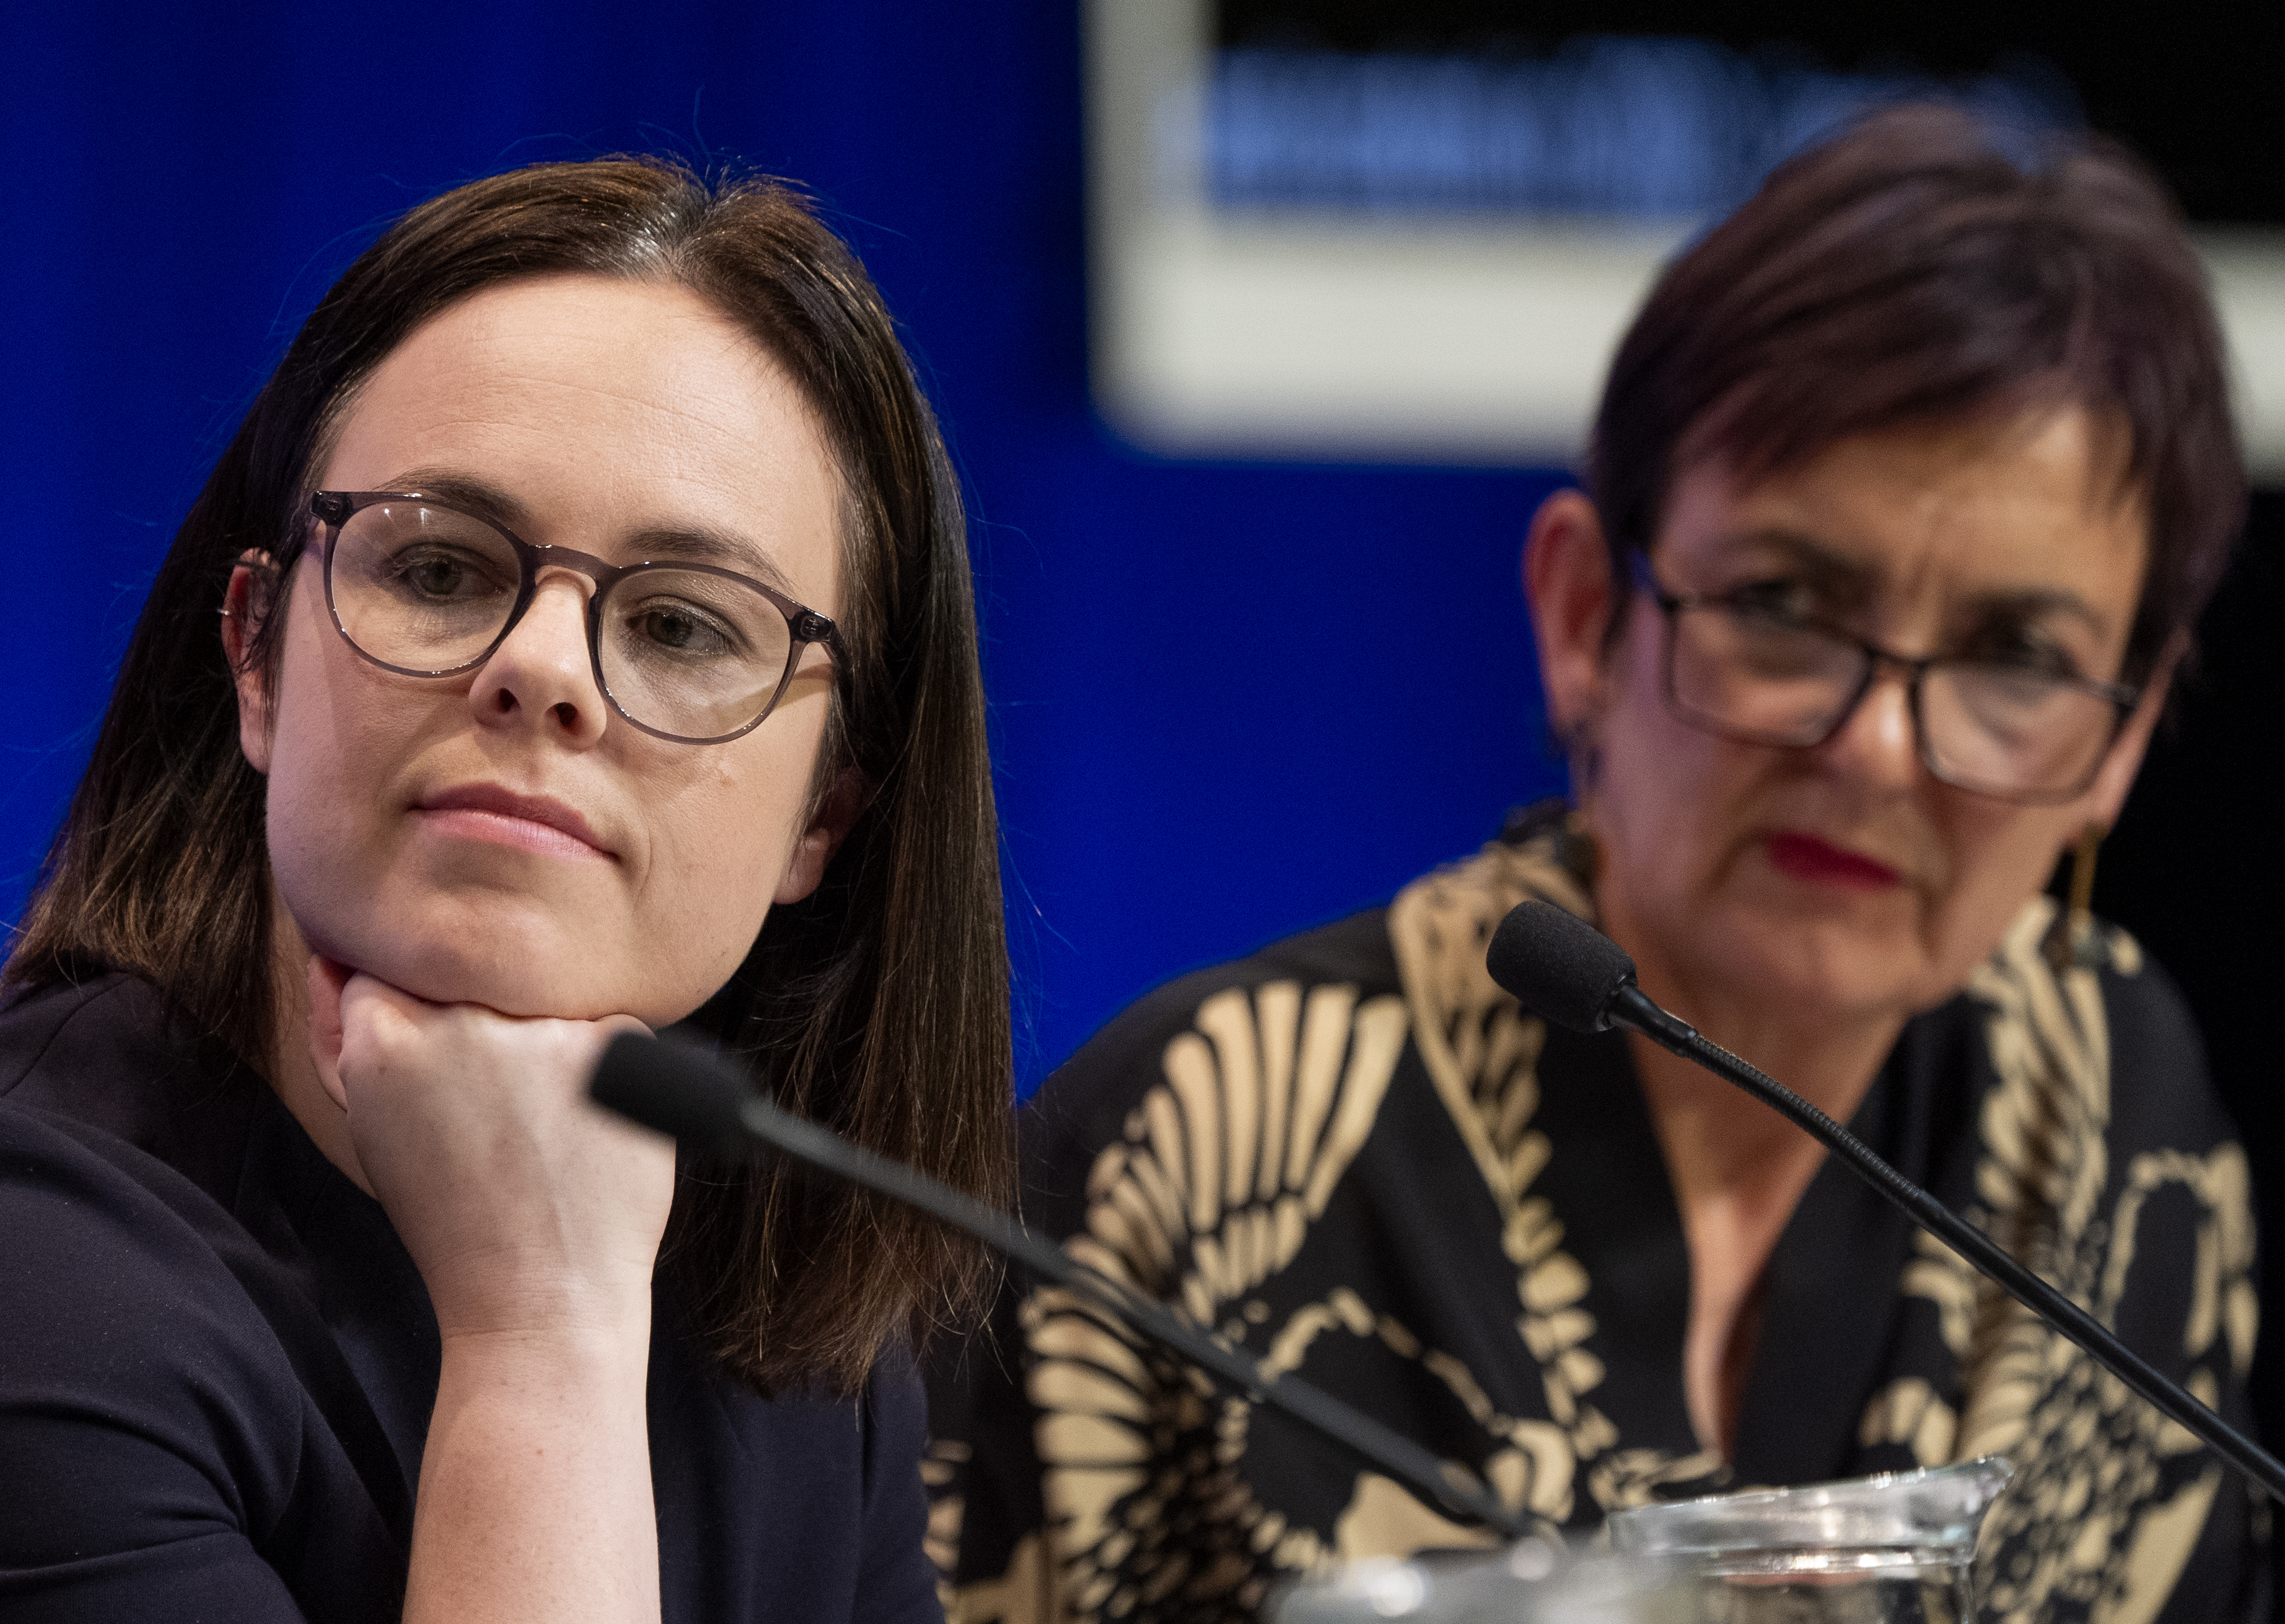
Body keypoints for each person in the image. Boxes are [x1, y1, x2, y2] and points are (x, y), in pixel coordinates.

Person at [926, 107, 2265, 1623]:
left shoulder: (2115, 1109)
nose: (1883, 747)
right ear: (1583, 618)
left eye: (2018, 660)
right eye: (1785, 603)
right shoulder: (1195, 1139)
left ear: (2125, 739)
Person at [0, 156, 1012, 1623]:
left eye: (679, 624)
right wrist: (543, 1333)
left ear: (825, 817)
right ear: (260, 658)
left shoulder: (794, 1326)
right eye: (443, 570)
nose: (539, 666)